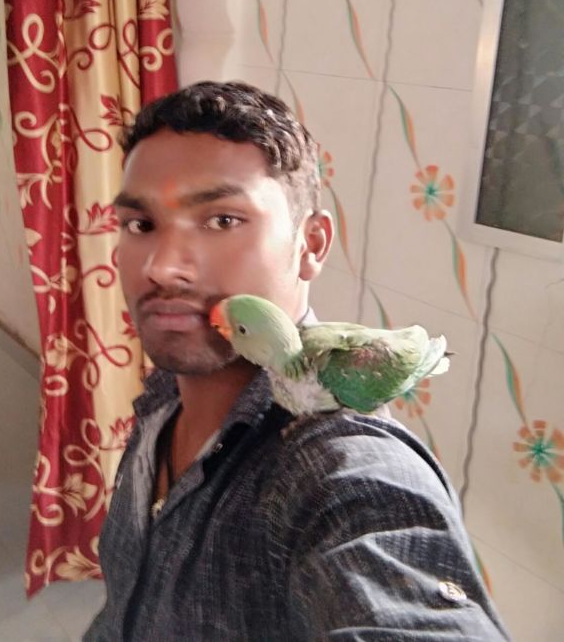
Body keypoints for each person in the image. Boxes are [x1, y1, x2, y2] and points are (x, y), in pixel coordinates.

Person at [84, 81, 508, 641]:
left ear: (312, 244)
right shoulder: (163, 397)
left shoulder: (340, 470)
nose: (160, 267)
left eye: (222, 220)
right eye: (141, 225)